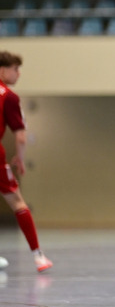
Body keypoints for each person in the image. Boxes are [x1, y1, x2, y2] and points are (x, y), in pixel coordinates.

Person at [0, 51, 53, 272]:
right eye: (15, 69)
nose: (18, 74)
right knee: (17, 202)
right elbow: (20, 136)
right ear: (3, 70)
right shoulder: (9, 97)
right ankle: (38, 256)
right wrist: (19, 159)